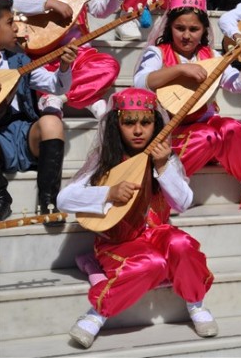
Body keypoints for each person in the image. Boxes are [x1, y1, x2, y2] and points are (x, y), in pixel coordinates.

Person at [57, 88, 217, 349]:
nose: (139, 130)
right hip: (118, 240)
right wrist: (108, 192)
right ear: (116, 125)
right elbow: (65, 199)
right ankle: (97, 314)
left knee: (182, 246)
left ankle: (195, 303)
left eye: (146, 122)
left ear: (156, 124)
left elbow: (184, 203)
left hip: (157, 232)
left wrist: (163, 166)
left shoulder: (164, 157)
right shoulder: (105, 159)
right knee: (152, 265)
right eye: (129, 123)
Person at [134, 0, 241, 211]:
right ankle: (168, 189)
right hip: (172, 131)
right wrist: (180, 69)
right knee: (207, 137)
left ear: (204, 30)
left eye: (194, 29)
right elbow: (141, 83)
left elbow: (239, 85)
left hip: (206, 126)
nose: (186, 35)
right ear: (169, 28)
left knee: (233, 128)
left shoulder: (212, 55)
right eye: (180, 28)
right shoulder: (158, 53)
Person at [0, 0, 76, 222]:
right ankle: (1, 197)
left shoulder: (19, 60)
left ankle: (49, 200)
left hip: (21, 132)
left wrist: (64, 67)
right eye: (9, 22)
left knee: (51, 122)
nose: (16, 27)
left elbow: (56, 86)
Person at [10, 0, 122, 118]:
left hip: (79, 52)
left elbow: (98, 10)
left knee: (110, 66)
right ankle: (88, 99)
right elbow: (14, 3)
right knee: (36, 72)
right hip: (46, 55)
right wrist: (48, 3)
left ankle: (57, 97)